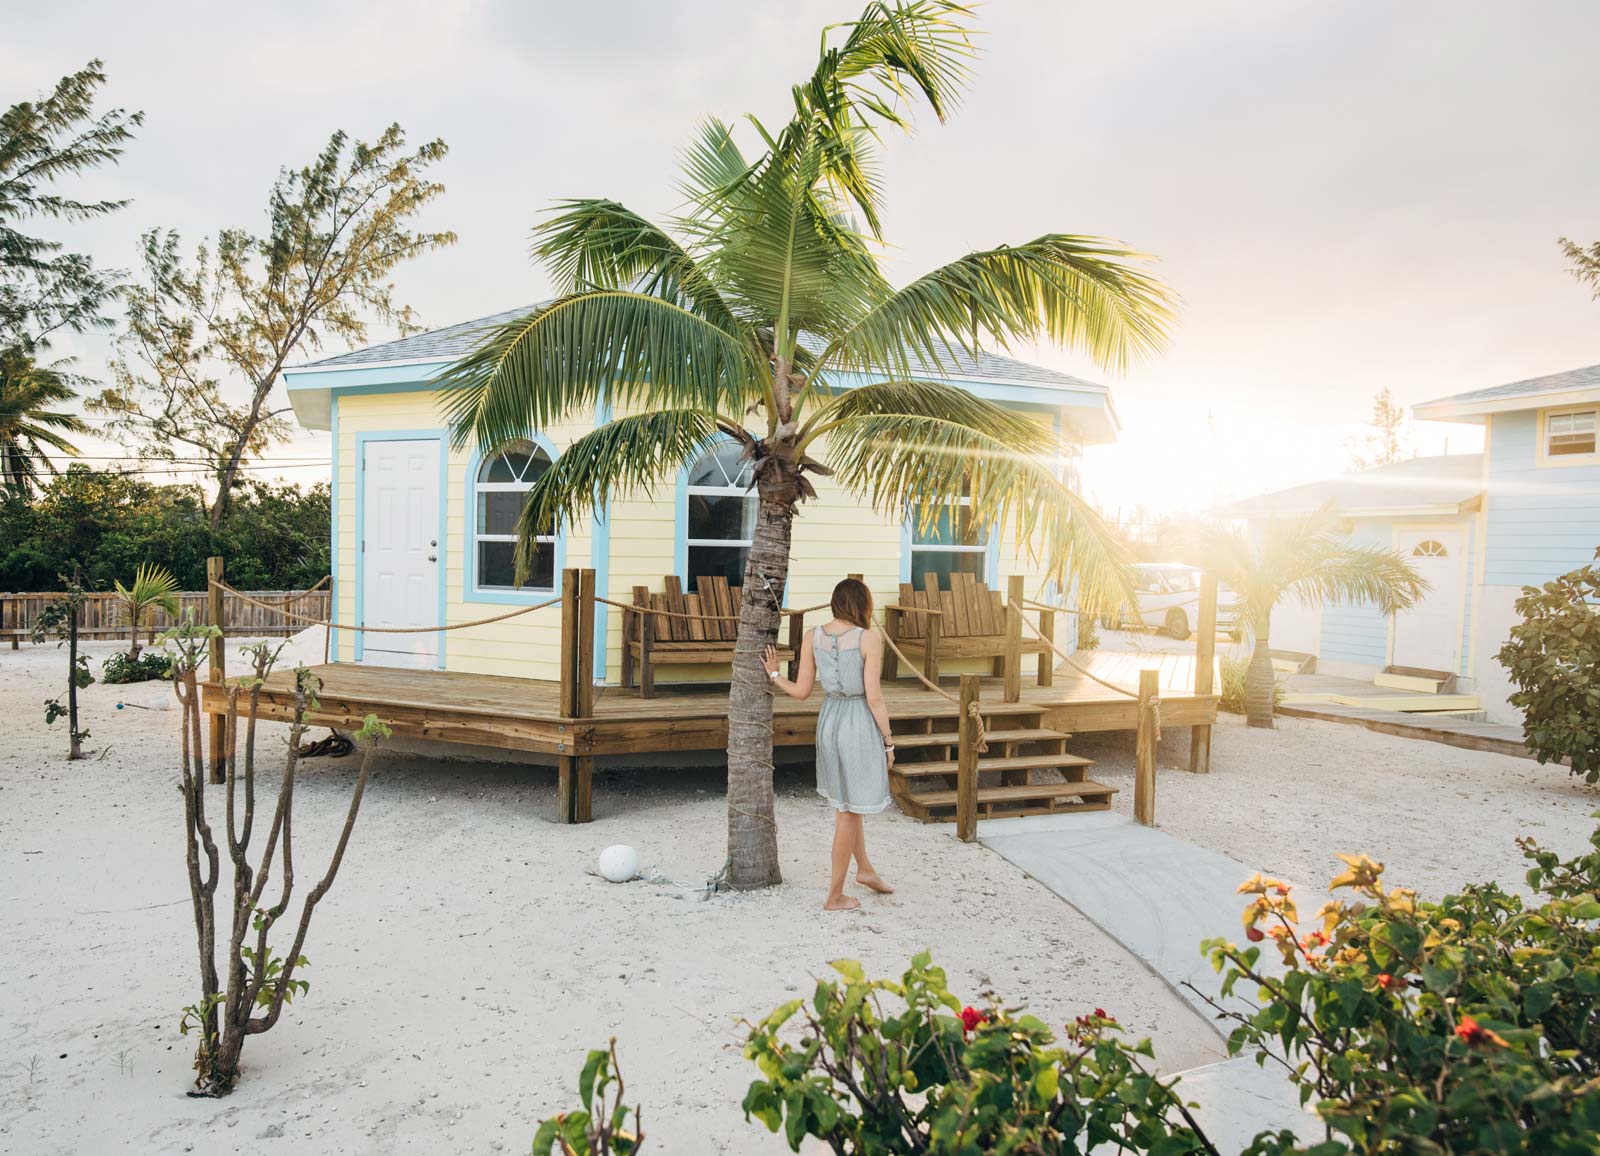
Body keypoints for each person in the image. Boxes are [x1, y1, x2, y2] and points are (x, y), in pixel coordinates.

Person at [763, 577, 896, 911]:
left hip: (829, 720)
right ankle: (834, 895)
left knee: (850, 804)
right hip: (857, 721)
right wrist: (889, 741)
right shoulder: (868, 639)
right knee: (848, 812)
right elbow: (874, 697)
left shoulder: (813, 636)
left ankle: (864, 870)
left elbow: (802, 691)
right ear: (863, 605)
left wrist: (776, 675)